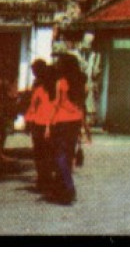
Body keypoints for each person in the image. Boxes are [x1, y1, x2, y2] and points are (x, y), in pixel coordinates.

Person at [46, 52, 87, 205]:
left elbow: (56, 104)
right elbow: (81, 104)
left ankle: (69, 187)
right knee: (68, 155)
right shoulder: (81, 83)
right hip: (75, 121)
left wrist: (49, 125)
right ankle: (63, 189)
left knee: (60, 156)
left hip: (62, 122)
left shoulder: (61, 82)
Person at [24, 59, 54, 196]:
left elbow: (37, 107)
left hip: (42, 124)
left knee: (42, 154)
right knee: (43, 154)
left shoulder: (43, 88)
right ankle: (44, 179)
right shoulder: (44, 87)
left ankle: (44, 180)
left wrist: (28, 122)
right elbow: (33, 106)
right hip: (43, 123)